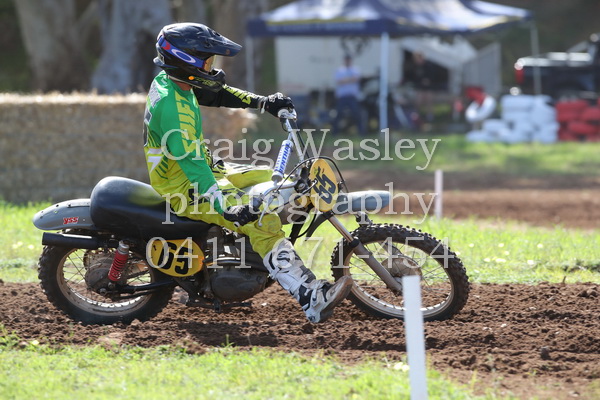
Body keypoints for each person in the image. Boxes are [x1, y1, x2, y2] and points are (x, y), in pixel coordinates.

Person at [143, 23, 352, 323]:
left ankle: (250, 252)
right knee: (260, 217)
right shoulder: (171, 108)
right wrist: (226, 208)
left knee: (273, 182)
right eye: (207, 60)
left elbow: (215, 95)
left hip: (207, 168)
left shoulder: (173, 81)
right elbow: (193, 166)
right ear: (185, 60)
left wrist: (263, 102)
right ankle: (309, 295)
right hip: (185, 186)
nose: (212, 66)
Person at [331, 55, 367, 136]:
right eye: (346, 60)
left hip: (352, 96)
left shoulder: (355, 69)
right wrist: (350, 79)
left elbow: (356, 79)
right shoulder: (340, 70)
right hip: (342, 97)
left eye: (349, 60)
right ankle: (335, 132)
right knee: (338, 114)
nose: (347, 61)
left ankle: (361, 132)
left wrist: (345, 80)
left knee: (356, 114)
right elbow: (339, 81)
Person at [404, 52, 436, 123]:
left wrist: (427, 80)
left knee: (429, 98)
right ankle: (416, 115)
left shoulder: (428, 66)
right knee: (418, 99)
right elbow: (413, 78)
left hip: (428, 88)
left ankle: (430, 115)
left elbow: (432, 77)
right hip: (419, 87)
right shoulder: (414, 67)